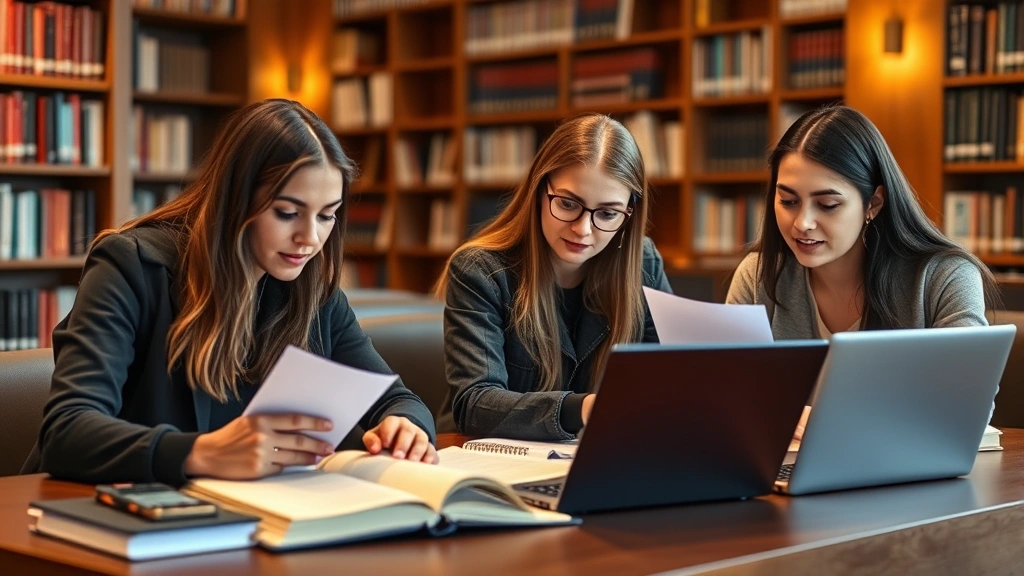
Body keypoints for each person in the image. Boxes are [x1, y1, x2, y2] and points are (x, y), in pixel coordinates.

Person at [23, 99, 437, 485]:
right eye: (287, 213)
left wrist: (407, 426)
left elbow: (396, 398)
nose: (309, 239)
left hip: (242, 524)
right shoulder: (131, 266)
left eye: (327, 216)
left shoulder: (314, 291)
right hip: (89, 517)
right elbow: (68, 431)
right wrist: (201, 453)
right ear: (235, 200)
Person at [726, 105, 1001, 438]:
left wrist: (835, 423)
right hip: (785, 475)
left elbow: (968, 403)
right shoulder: (759, 276)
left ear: (873, 203)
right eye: (788, 201)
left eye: (827, 205)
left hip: (907, 477)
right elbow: (729, 402)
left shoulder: (944, 276)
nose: (803, 223)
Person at [435, 113, 673, 441]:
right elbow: (475, 404)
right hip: (482, 459)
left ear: (628, 213)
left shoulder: (642, 263)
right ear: (538, 188)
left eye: (607, 213)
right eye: (568, 203)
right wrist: (586, 409)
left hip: (591, 458)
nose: (583, 229)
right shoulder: (481, 270)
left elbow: (667, 377)